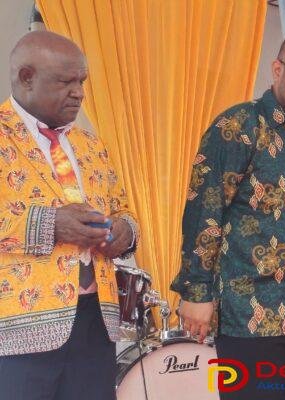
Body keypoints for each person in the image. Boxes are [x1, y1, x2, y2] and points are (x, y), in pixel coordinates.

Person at [171, 29, 285, 400]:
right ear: (277, 70)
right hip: (250, 320)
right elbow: (205, 209)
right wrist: (196, 291)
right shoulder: (238, 127)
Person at [0, 31, 139, 400]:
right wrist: (51, 224)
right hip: (16, 326)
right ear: (26, 77)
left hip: (96, 321)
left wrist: (125, 231)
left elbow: (122, 206)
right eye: (66, 82)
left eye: (82, 81)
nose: (78, 93)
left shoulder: (90, 144)